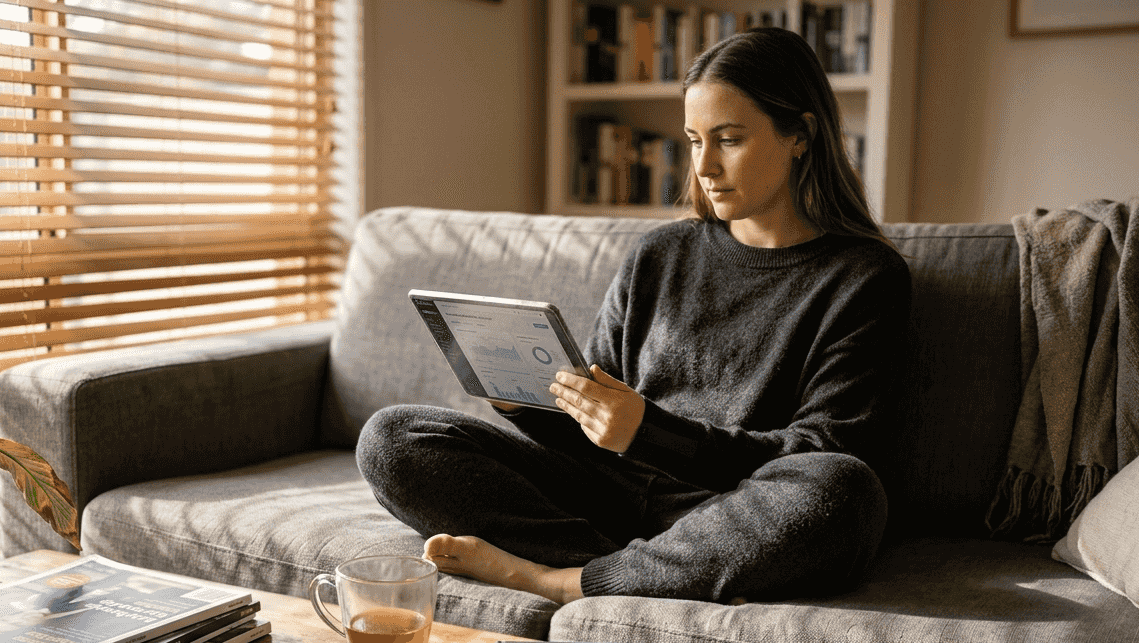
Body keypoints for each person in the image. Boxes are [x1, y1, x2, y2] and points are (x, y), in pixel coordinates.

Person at [356, 27, 911, 606]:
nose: (705, 167)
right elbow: (592, 428)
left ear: (800, 135)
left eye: (729, 140)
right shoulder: (659, 255)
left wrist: (650, 432)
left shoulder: (863, 277)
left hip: (727, 508)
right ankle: (641, 571)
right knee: (394, 438)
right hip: (607, 493)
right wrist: (525, 398)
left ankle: (557, 580)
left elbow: (822, 447)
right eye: (695, 141)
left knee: (843, 492)